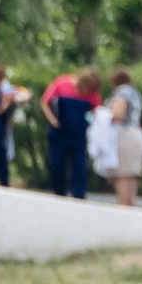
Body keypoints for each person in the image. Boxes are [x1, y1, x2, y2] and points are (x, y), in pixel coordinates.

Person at [45, 70, 95, 199]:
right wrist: (52, 119)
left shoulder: (92, 92)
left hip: (79, 135)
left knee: (80, 166)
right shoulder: (61, 83)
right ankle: (59, 193)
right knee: (57, 164)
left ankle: (79, 196)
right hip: (59, 131)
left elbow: (96, 109)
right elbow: (45, 101)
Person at [107, 68, 142, 207]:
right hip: (137, 132)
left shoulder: (122, 92)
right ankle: (130, 204)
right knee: (131, 174)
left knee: (122, 174)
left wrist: (102, 117)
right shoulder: (135, 93)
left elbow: (118, 113)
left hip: (125, 134)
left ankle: (123, 204)